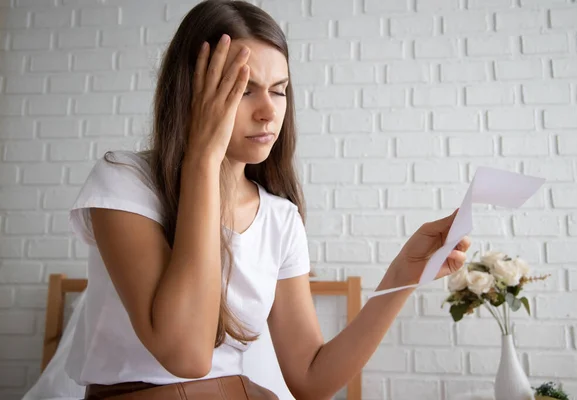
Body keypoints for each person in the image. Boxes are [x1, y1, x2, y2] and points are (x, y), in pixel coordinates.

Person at [65, 0, 471, 399]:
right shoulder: (125, 181)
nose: (268, 112)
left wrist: (401, 276)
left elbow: (311, 379)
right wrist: (204, 160)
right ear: (191, 93)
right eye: (243, 90)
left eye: (279, 91)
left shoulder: (280, 217)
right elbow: (185, 355)